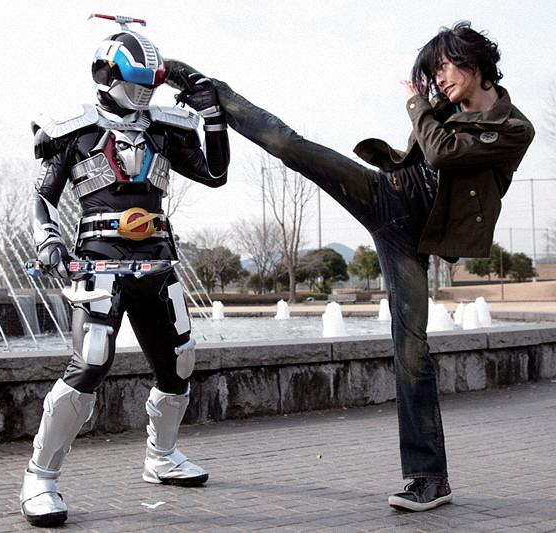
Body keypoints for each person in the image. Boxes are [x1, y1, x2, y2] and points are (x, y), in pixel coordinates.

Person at [166, 21, 533, 512]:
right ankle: (206, 88)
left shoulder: (513, 128)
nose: (440, 79)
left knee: (411, 350)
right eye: (434, 72)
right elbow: (425, 152)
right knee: (292, 147)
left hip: (411, 239)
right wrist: (425, 105)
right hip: (385, 195)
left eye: (445, 66)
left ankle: (428, 478)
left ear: (475, 61)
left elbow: (444, 153)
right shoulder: (441, 108)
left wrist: (415, 103)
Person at [20, 17, 229, 527]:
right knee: (90, 363)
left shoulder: (165, 127)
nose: (142, 96)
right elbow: (42, 198)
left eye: (149, 86)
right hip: (98, 262)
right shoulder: (72, 129)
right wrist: (48, 240)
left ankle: (162, 457)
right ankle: (40, 477)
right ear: (107, 75)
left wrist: (212, 117)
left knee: (179, 362)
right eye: (135, 84)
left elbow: (215, 174)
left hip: (157, 261)